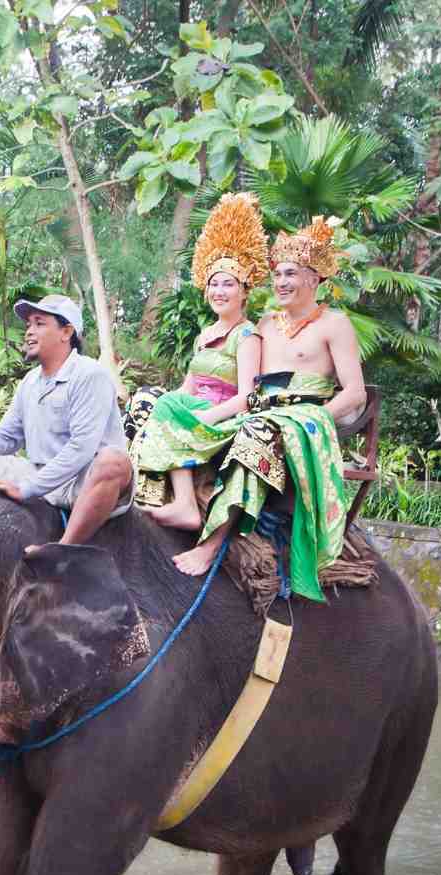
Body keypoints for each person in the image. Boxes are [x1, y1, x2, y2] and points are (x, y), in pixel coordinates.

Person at [171, 217, 367, 599]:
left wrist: (312, 424)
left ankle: (212, 546)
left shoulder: (334, 323)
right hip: (261, 411)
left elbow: (355, 393)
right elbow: (242, 381)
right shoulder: (263, 323)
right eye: (276, 274)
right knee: (191, 423)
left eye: (290, 274)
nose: (280, 282)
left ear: (315, 278)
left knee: (255, 432)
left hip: (306, 418)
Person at [0, 294, 133, 546]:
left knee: (114, 462)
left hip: (82, 480)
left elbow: (82, 448)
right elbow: (6, 438)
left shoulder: (90, 375)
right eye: (28, 325)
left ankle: (63, 549)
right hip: (39, 472)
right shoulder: (30, 381)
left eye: (39, 323)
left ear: (66, 332)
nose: (29, 332)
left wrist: (27, 488)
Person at [130, 193, 269, 530]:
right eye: (214, 284)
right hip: (193, 408)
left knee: (167, 411)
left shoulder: (247, 335)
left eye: (228, 284)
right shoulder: (205, 334)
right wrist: (168, 404)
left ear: (244, 291)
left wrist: (203, 415)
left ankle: (186, 507)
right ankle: (140, 492)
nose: (219, 291)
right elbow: (188, 386)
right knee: (147, 402)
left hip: (224, 416)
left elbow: (247, 398)